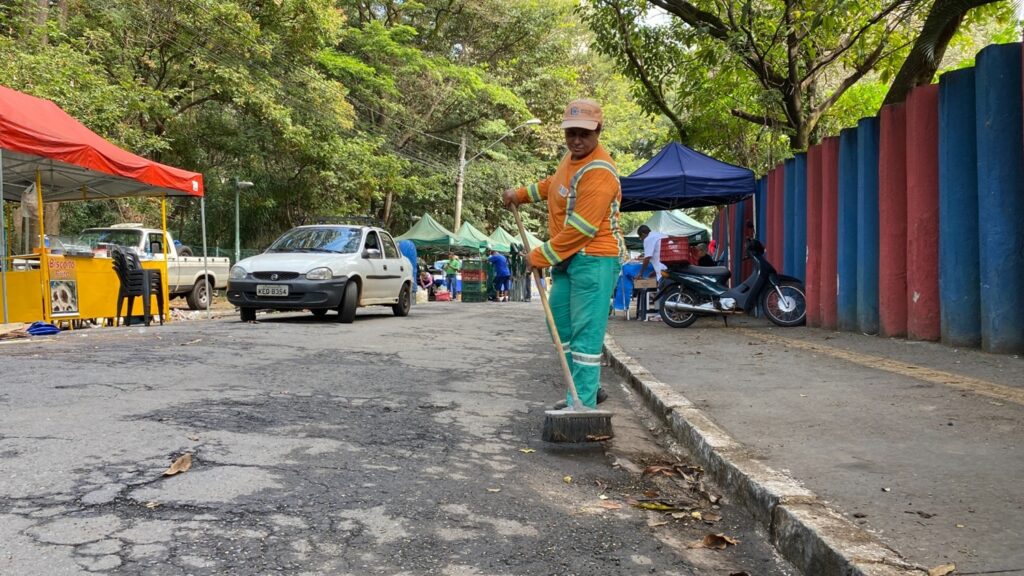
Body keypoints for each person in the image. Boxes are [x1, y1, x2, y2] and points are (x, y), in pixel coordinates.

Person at [502, 98, 624, 410]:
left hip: (594, 259)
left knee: (585, 335)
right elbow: (553, 185)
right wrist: (519, 195)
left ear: (598, 131)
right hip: (568, 259)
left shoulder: (599, 170)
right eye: (571, 133)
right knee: (560, 329)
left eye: (584, 134)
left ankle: (583, 404)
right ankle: (581, 390)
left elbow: (583, 228)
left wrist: (539, 256)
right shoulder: (571, 160)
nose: (577, 140)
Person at [636, 225, 667, 320]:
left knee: (662, 290)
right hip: (668, 266)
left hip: (662, 270)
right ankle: (667, 313)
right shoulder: (660, 235)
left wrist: (640, 273)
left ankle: (662, 314)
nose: (641, 239)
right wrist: (654, 271)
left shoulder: (648, 239)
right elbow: (659, 254)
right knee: (669, 290)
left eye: (640, 237)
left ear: (643, 234)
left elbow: (647, 258)